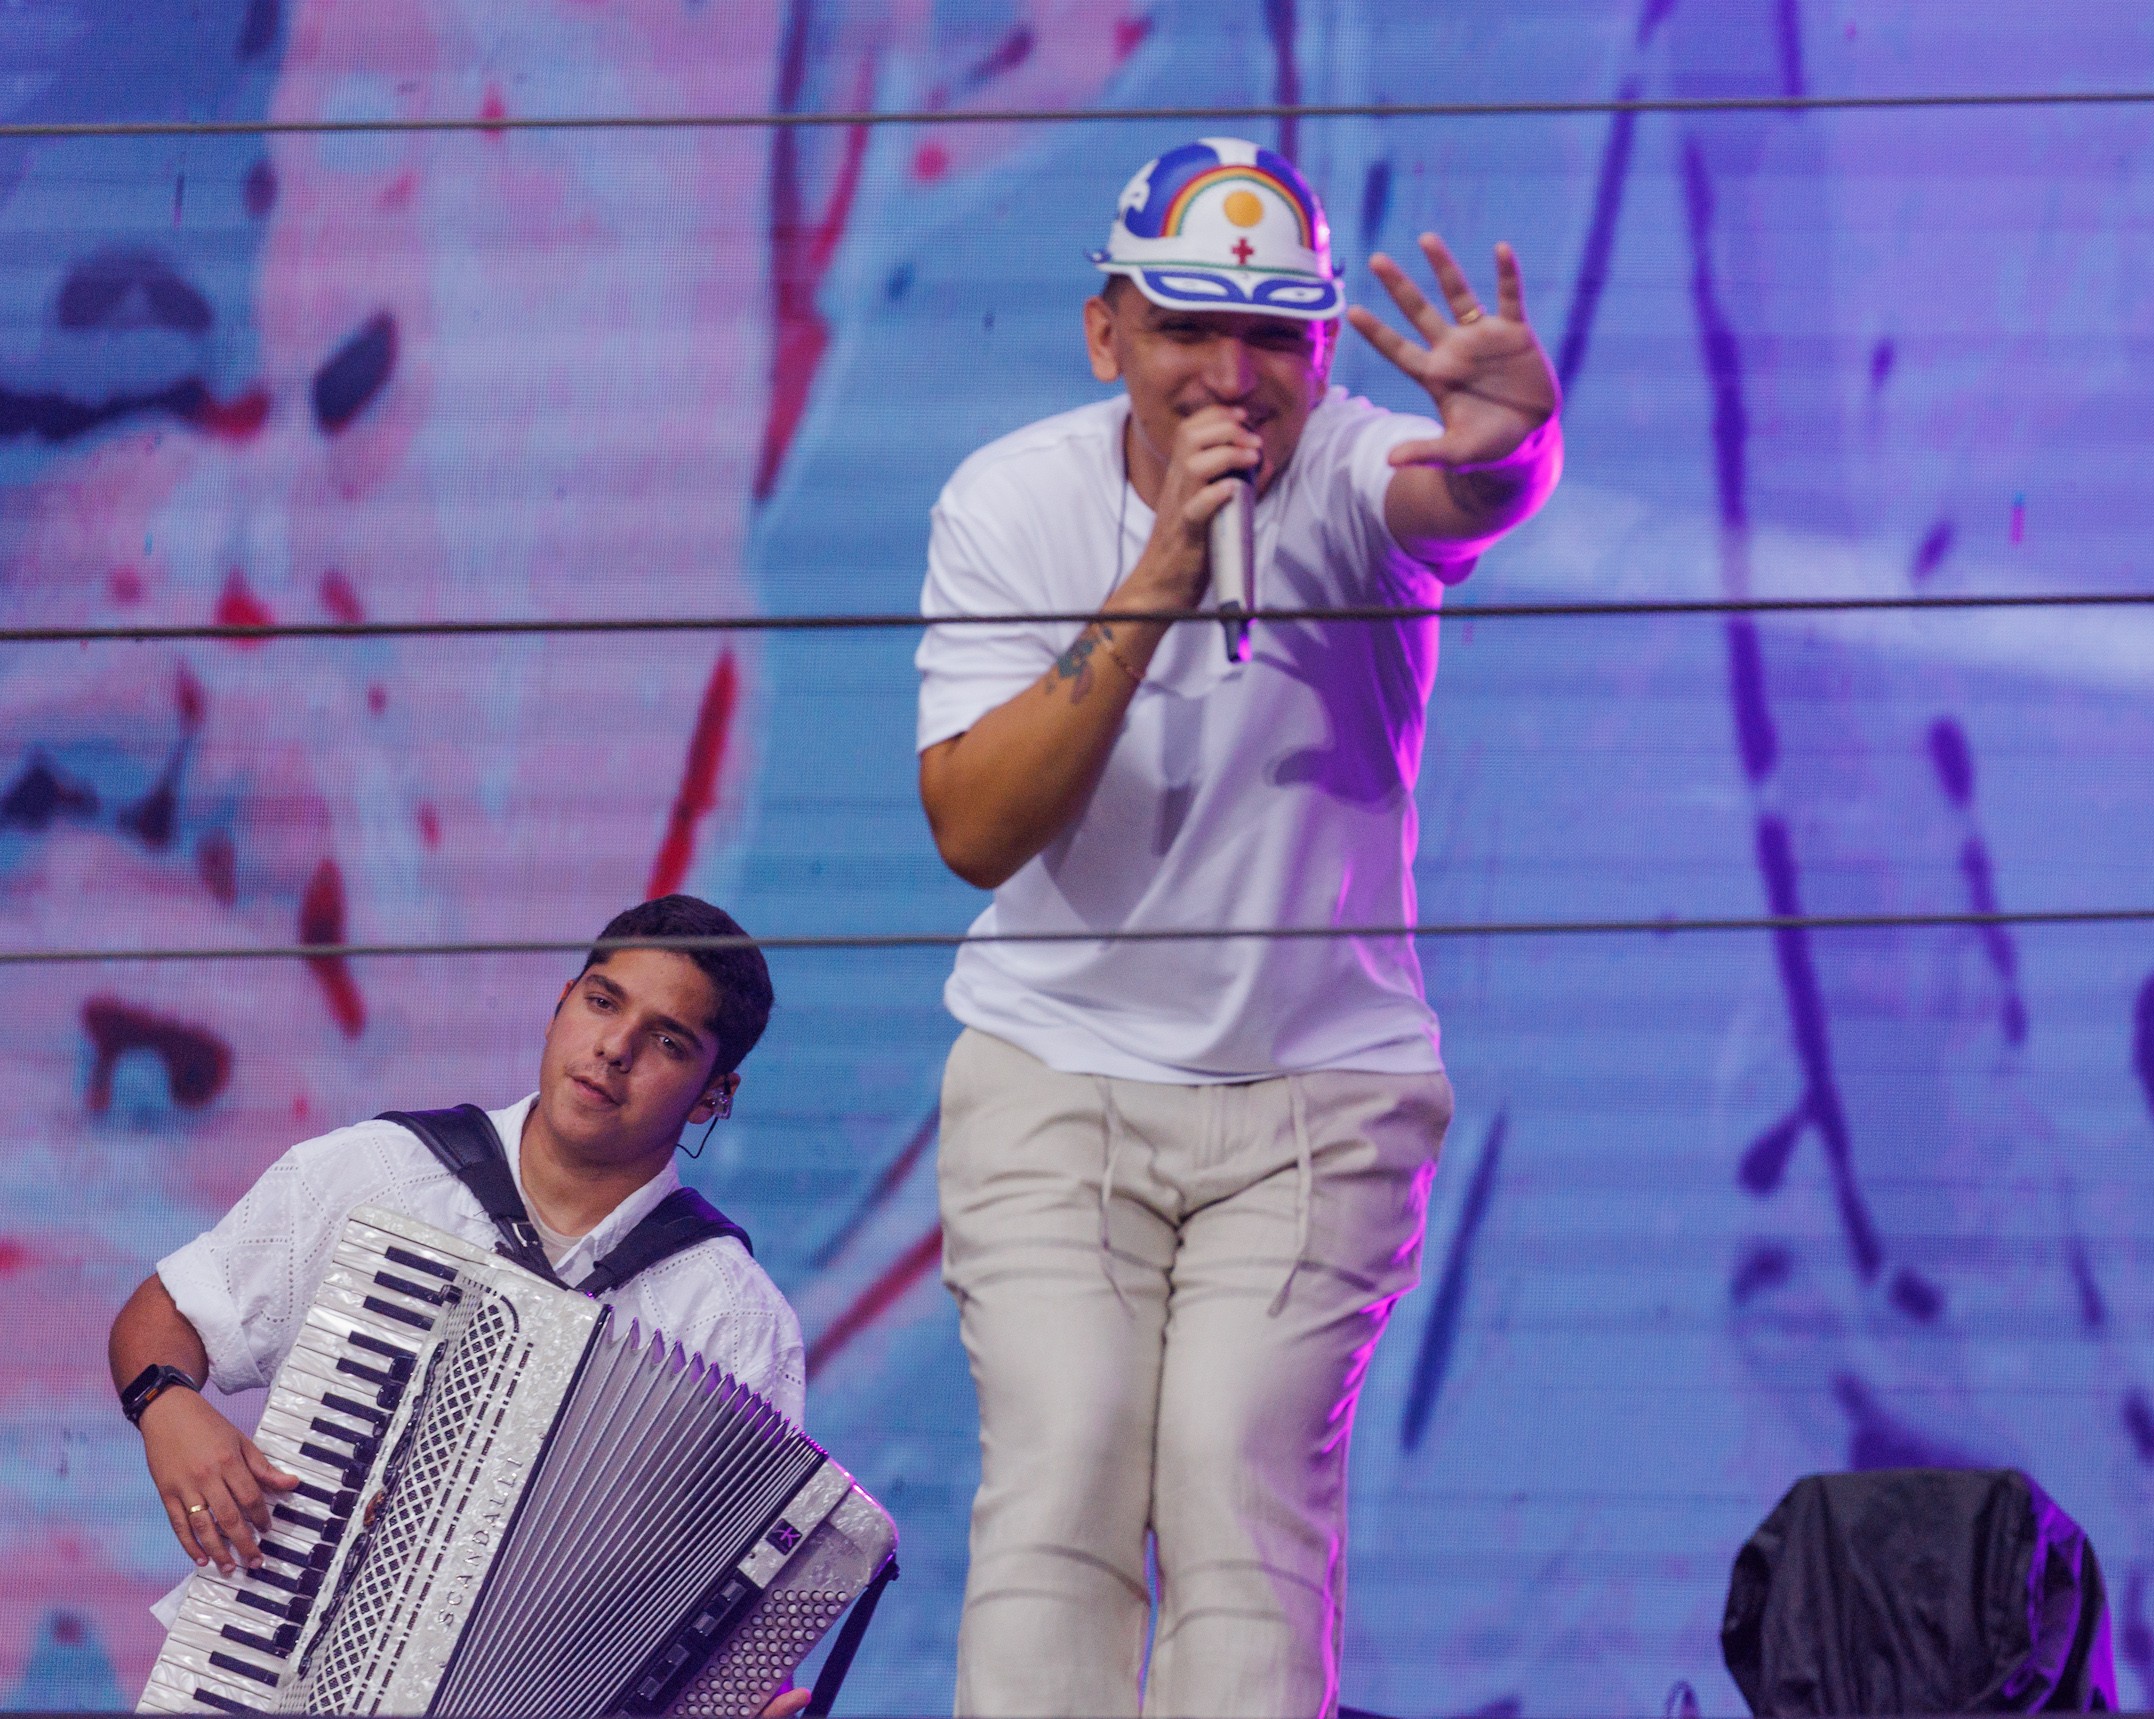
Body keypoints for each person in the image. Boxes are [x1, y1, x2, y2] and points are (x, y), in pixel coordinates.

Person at [913, 137, 1563, 1717]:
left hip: (1316, 1102)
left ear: (1324, 349)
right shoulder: (1009, 500)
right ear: (1104, 332)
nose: (1233, 373)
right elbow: (975, 829)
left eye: (1275, 333)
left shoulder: (1351, 465)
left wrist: (1515, 448)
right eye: (1187, 322)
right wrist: (1152, 584)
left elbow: (1452, 493)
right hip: (1055, 1078)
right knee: (1063, 1469)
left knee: (1233, 1479)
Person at [104, 893, 813, 1718]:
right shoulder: (379, 1173)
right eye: (601, 1000)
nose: (613, 1048)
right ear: (558, 1007)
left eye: (666, 1040)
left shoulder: (731, 1316)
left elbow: (733, 1598)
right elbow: (165, 1314)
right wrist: (165, 1404)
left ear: (712, 1096)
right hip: (260, 1683)